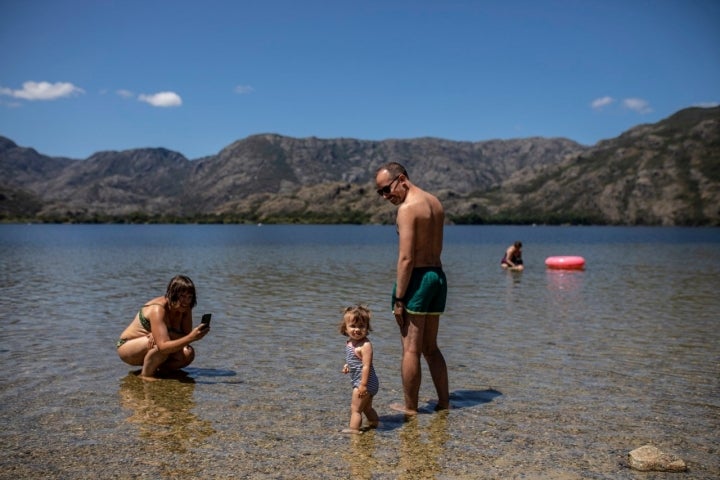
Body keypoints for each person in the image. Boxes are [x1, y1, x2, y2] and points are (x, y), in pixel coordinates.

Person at [375, 162, 449, 415]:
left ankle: (410, 409)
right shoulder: (435, 202)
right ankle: (444, 403)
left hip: (418, 278)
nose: (386, 197)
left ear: (402, 179)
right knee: (431, 347)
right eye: (380, 193)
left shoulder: (407, 209)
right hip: (437, 277)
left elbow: (406, 258)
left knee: (411, 349)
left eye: (387, 189)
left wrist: (398, 299)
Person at [117, 275, 210, 380]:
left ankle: (159, 370)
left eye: (189, 297)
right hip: (128, 346)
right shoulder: (158, 309)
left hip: (153, 346)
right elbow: (164, 346)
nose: (186, 301)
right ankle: (146, 376)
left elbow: (184, 336)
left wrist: (169, 334)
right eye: (182, 296)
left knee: (188, 353)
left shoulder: (185, 307)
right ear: (172, 295)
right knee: (161, 348)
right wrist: (191, 337)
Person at [340, 304, 380, 434]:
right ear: (345, 328)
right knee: (367, 408)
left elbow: (366, 365)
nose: (357, 329)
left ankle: (354, 430)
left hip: (365, 382)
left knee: (355, 409)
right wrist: (347, 366)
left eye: (361, 326)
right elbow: (354, 360)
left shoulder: (365, 345)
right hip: (367, 382)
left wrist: (362, 385)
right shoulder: (350, 342)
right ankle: (375, 423)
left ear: (367, 328)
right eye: (353, 326)